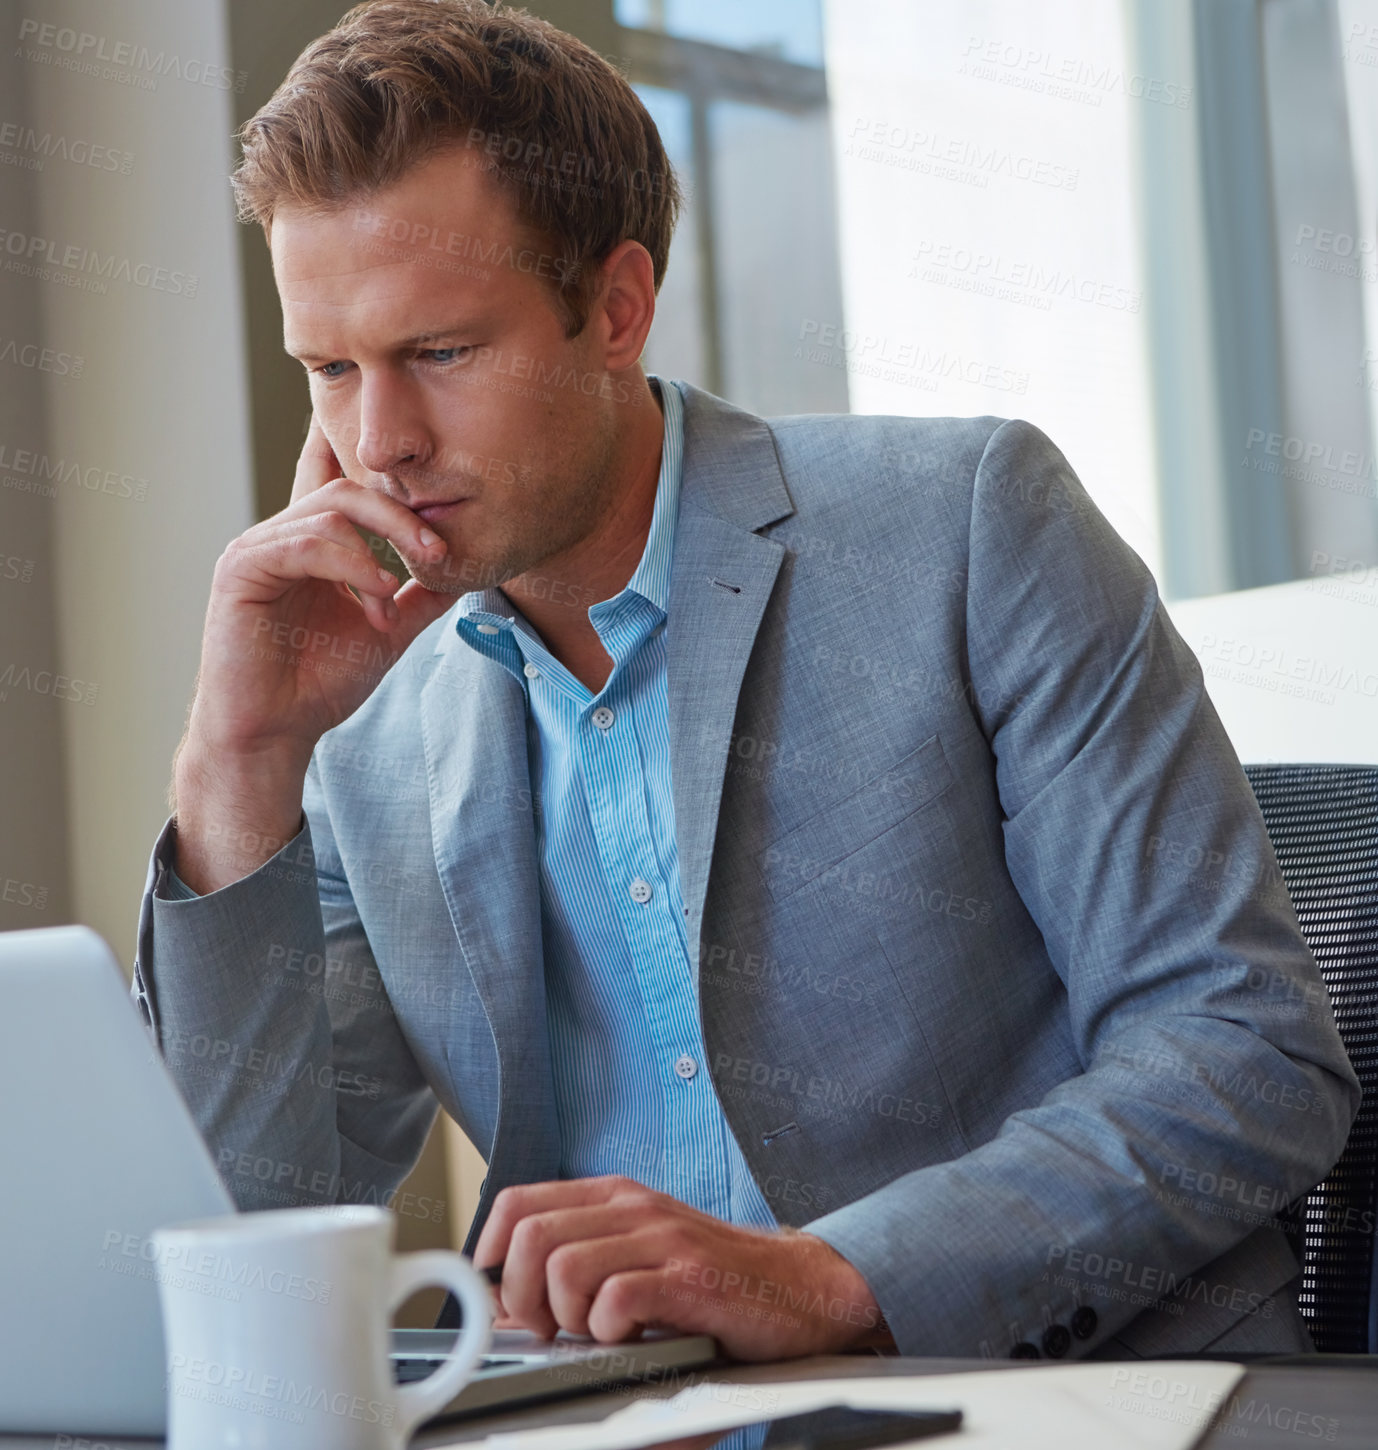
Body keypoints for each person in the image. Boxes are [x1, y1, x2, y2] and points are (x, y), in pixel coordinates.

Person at [133, 0, 1359, 1363]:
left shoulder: (967, 525)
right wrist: (237, 759)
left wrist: (826, 1274)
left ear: (616, 308)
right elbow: (253, 1229)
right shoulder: (369, 726)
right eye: (328, 369)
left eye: (439, 352)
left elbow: (1247, 1056)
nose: (380, 440)